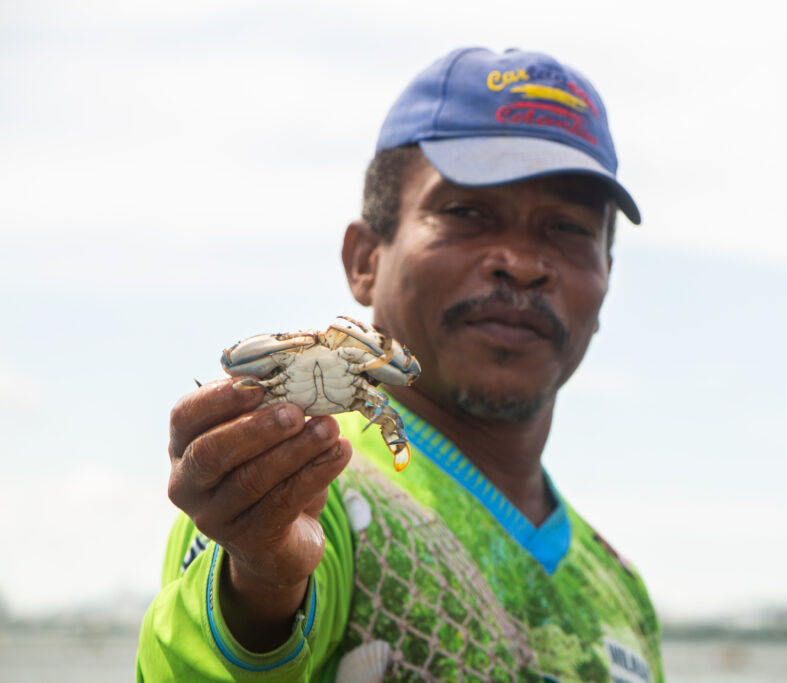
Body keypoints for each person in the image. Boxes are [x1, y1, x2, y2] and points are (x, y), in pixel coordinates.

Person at [137, 47, 663, 682]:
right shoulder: (301, 484)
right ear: (365, 260)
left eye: (569, 229)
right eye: (468, 213)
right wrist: (261, 582)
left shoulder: (619, 590)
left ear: (607, 281)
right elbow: (234, 615)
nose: (523, 263)